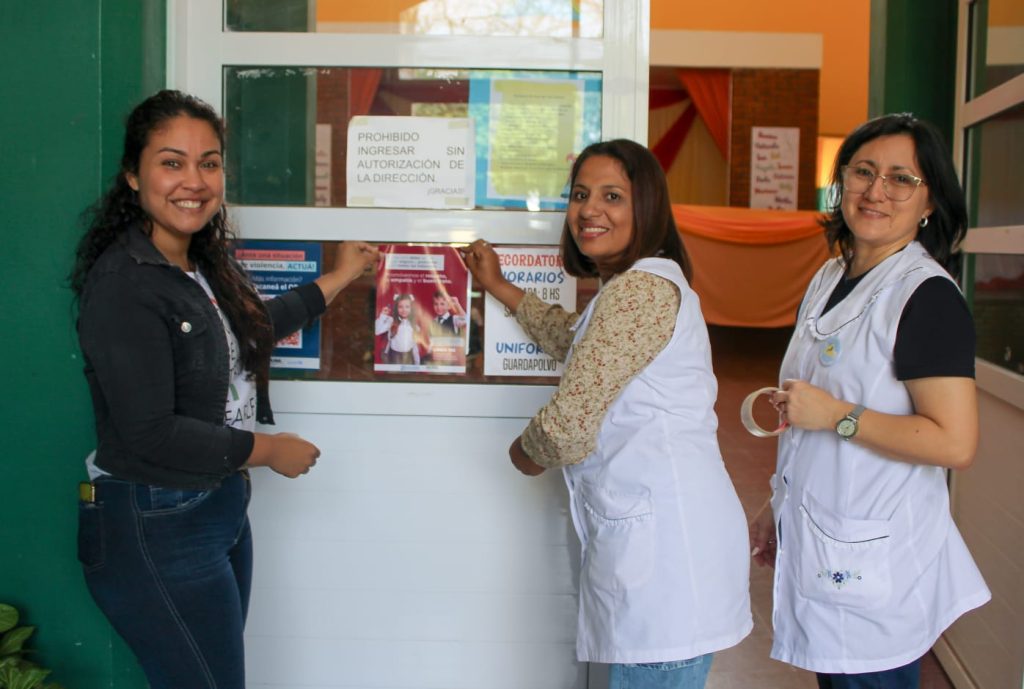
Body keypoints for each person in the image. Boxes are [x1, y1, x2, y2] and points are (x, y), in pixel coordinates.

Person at [69, 89, 378, 689]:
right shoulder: (126, 284)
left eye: (208, 163)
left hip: (212, 505)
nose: (194, 181)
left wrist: (340, 276)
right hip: (157, 521)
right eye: (172, 162)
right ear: (133, 175)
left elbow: (253, 327)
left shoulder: (197, 265)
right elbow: (151, 432)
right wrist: (269, 450)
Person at [462, 139, 752, 689]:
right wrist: (499, 285)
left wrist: (522, 454)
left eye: (612, 196)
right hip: (666, 549)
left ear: (648, 206)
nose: (589, 210)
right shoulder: (631, 287)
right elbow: (576, 341)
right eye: (580, 195)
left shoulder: (641, 290)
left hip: (669, 560)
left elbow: (567, 427)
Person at [748, 113, 991, 689]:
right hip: (826, 539)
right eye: (863, 172)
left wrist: (837, 416)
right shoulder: (829, 277)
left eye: (901, 179)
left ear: (929, 202)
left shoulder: (926, 298)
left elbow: (954, 443)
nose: (876, 191)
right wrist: (778, 504)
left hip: (876, 563)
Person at [375, 293, 422, 365]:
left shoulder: (414, 326)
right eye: (400, 307)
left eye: (407, 307)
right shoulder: (391, 321)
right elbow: (377, 331)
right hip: (394, 357)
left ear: (411, 308)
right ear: (396, 308)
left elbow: (414, 346)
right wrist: (383, 315)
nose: (404, 310)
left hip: (408, 357)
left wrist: (417, 362)